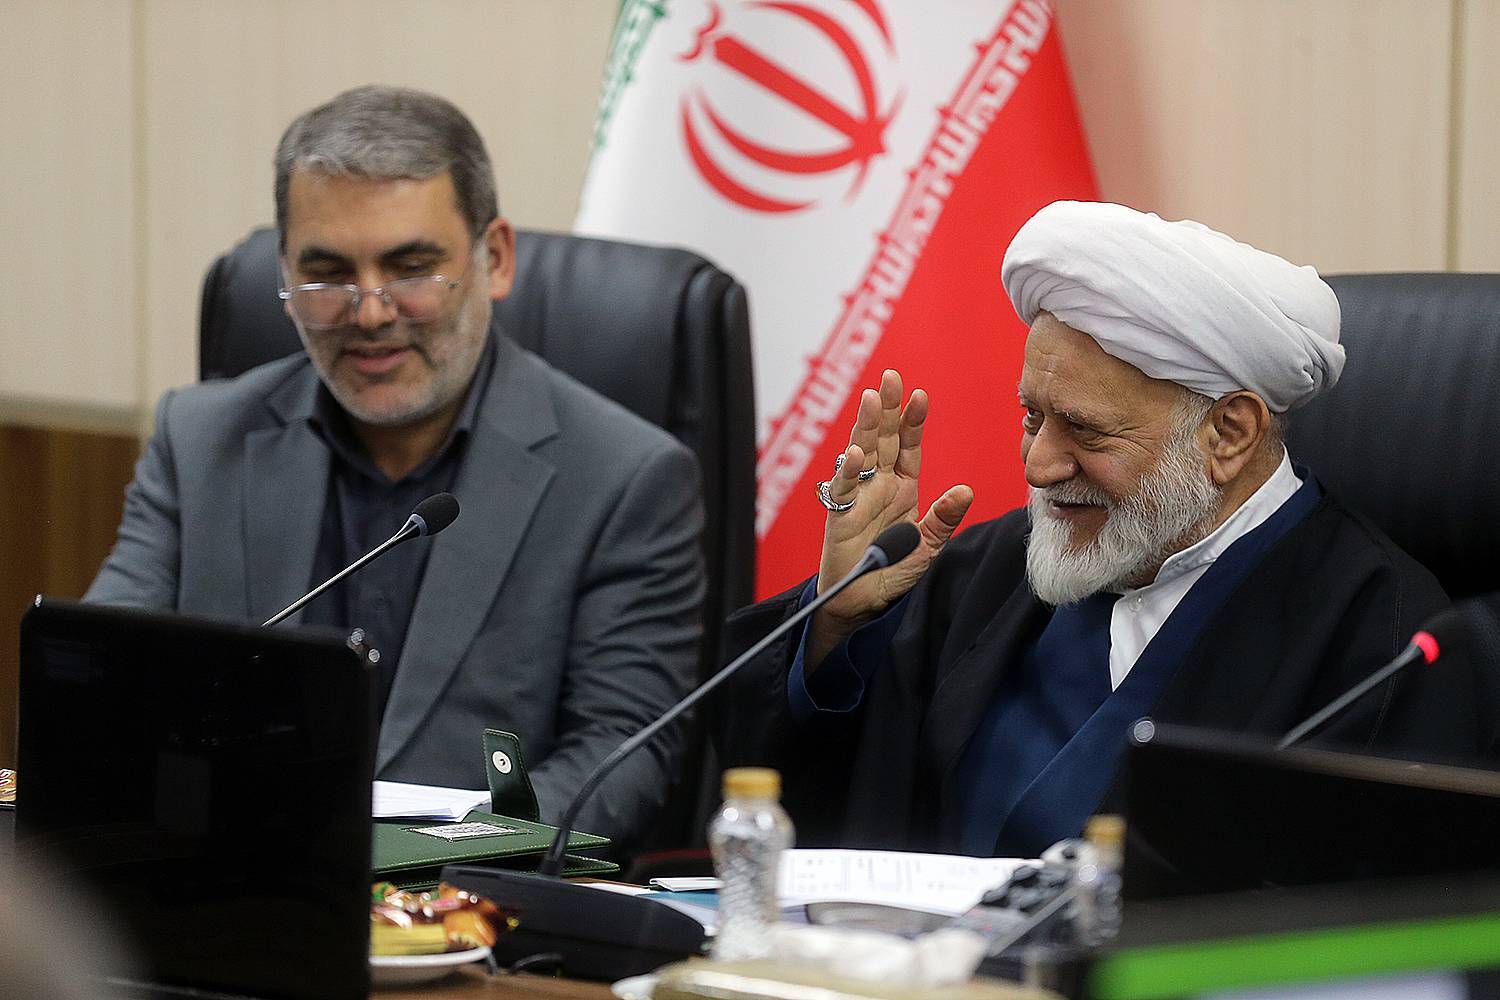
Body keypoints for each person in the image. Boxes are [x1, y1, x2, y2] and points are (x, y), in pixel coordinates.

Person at [715, 201, 1487, 858]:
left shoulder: (1381, 645)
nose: (1039, 465)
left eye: (1084, 430)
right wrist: (839, 625)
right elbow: (814, 809)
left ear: (1229, 434)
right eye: (1032, 417)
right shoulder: (986, 569)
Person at [86, 85, 705, 844]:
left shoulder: (626, 477)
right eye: (328, 274)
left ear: (494, 259)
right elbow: (99, 692)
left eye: (410, 268)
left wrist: (410, 863)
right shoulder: (199, 441)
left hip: (471, 899)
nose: (371, 312)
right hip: (226, 879)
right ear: (285, 279)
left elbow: (618, 759)